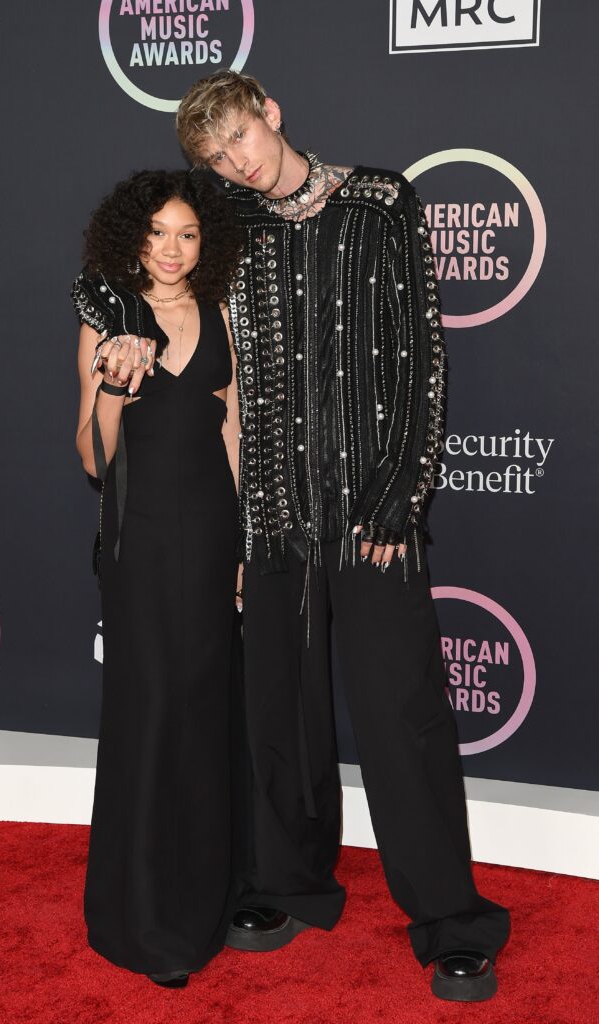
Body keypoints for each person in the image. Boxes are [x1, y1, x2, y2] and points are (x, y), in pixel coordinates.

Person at [175, 71, 511, 1002]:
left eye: (240, 137)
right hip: (278, 512)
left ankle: (451, 916)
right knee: (279, 708)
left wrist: (402, 491)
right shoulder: (231, 234)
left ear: (270, 113)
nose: (235, 162)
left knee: (403, 714)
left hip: (372, 516)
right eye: (216, 157)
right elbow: (186, 329)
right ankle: (289, 883)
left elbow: (423, 351)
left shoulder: (380, 199)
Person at [71, 169, 245, 988]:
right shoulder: (107, 320)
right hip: (138, 544)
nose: (171, 251)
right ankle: (140, 914)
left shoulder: (220, 316)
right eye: (156, 234)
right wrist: (112, 383)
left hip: (212, 537)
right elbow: (90, 457)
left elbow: (236, 436)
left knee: (207, 711)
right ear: (129, 239)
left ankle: (210, 898)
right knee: (149, 712)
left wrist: (244, 545)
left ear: (205, 241)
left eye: (187, 234)